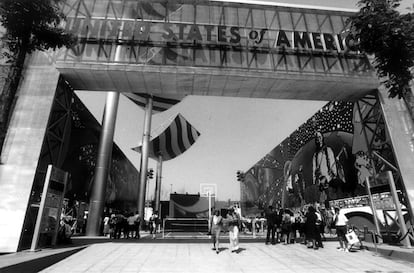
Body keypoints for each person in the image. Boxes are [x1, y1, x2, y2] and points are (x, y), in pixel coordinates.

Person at [312, 131, 337, 206]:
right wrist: (316, 181)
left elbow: (333, 166)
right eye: (316, 138)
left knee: (330, 202)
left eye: (319, 137)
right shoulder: (315, 155)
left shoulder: (328, 150)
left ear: (322, 138)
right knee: (322, 202)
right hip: (320, 184)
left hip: (329, 181)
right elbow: (314, 170)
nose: (318, 139)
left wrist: (327, 178)